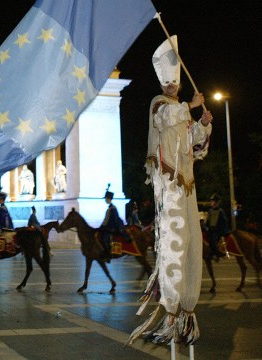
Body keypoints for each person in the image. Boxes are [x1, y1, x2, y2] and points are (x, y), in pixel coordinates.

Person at [128, 36, 212, 346]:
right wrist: (190, 106)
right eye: (167, 82)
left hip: (188, 184)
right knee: (177, 241)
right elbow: (164, 121)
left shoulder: (183, 109)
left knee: (193, 242)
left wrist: (202, 123)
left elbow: (195, 147)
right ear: (162, 84)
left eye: (174, 82)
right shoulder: (159, 104)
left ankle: (188, 308)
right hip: (170, 184)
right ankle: (172, 309)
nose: (171, 86)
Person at [99, 188, 123, 262]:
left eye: (105, 198)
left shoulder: (112, 208)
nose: (105, 200)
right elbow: (106, 220)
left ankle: (108, 255)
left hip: (112, 228)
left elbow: (112, 220)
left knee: (103, 239)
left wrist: (104, 227)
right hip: (108, 228)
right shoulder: (110, 208)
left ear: (109, 198)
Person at [205, 193, 228, 260]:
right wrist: (205, 226)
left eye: (212, 201)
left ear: (216, 202)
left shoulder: (220, 211)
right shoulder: (210, 210)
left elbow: (225, 221)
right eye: (211, 201)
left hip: (217, 231)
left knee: (213, 240)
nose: (211, 202)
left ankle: (218, 254)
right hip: (210, 230)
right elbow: (208, 221)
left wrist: (221, 230)